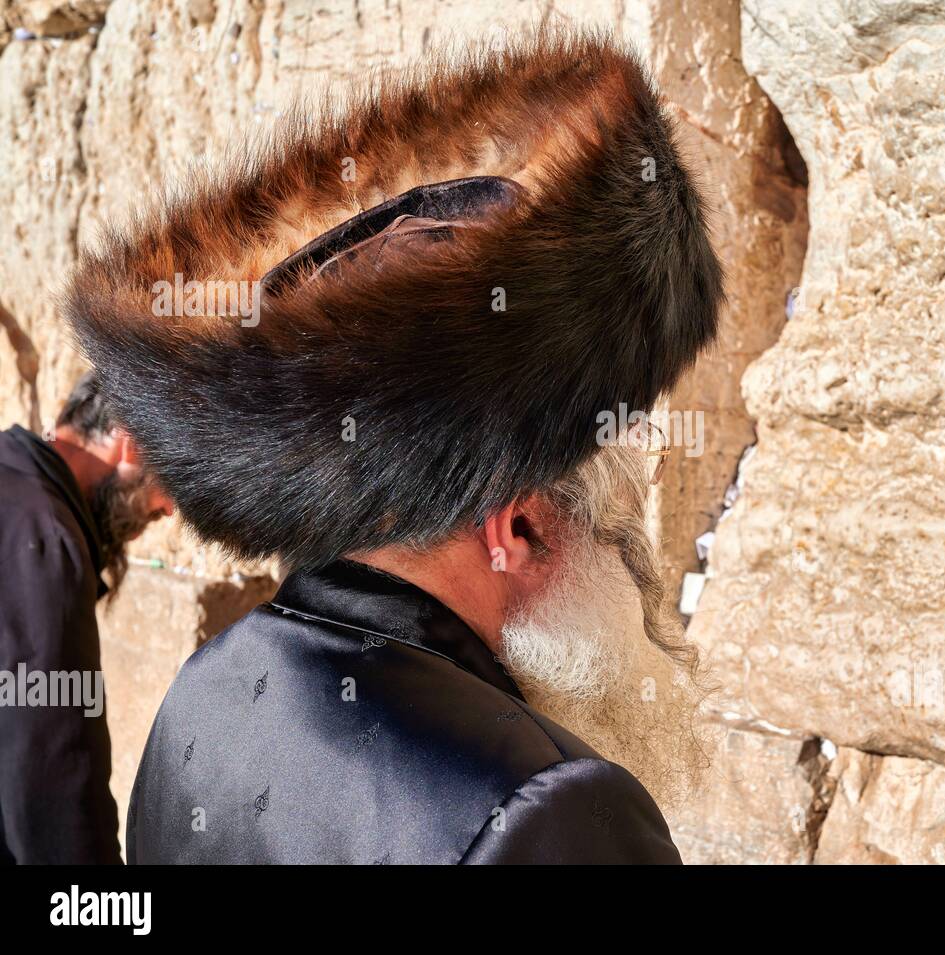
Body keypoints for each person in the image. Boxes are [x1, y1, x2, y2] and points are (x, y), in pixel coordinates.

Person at [69, 30, 725, 864]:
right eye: (617, 505)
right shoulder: (549, 809)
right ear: (514, 524)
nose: (630, 550)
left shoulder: (197, 698)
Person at [0, 372, 173, 863]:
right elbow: (51, 783)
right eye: (173, 481)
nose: (168, 509)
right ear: (131, 445)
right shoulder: (46, 539)